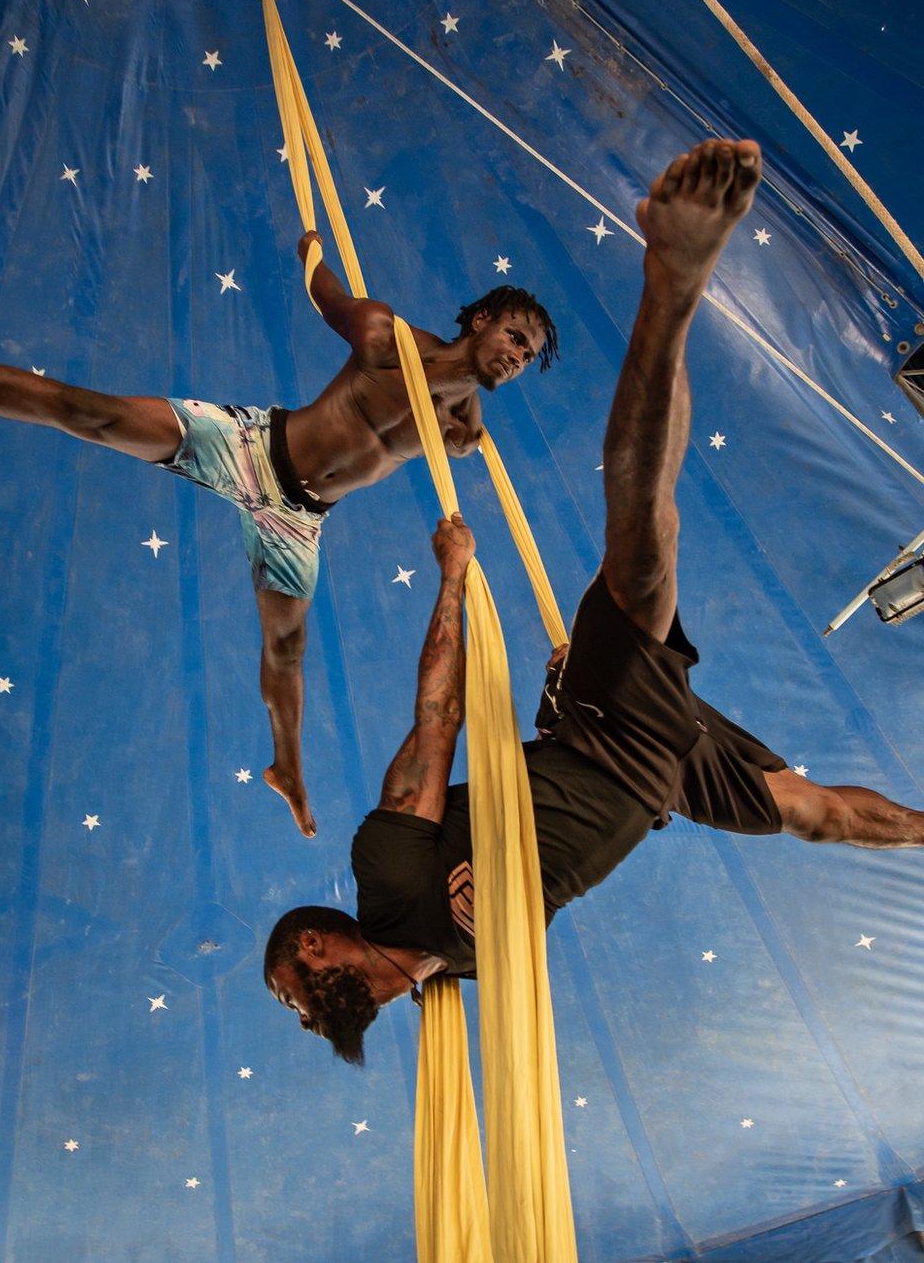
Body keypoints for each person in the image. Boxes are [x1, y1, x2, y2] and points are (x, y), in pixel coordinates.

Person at [264, 138, 924, 1065]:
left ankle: (674, 283)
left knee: (645, 552)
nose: (299, 1012)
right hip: (658, 779)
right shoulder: (449, 979)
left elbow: (437, 714)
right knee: (819, 817)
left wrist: (453, 576)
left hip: (604, 727)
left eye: (288, 994)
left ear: (312, 946)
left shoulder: (386, 874)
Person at [0, 233, 558, 837]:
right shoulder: (384, 337)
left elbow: (461, 429)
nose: (518, 356)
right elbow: (329, 298)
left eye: (529, 355)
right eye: (514, 336)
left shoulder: (461, 427)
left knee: (287, 649)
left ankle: (288, 769)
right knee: (95, 415)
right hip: (251, 447)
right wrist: (310, 251)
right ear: (480, 320)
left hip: (298, 518)